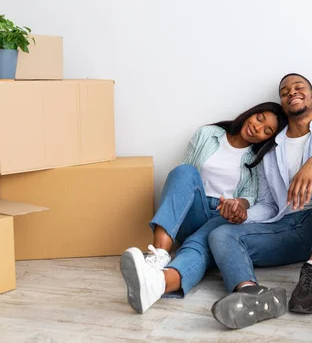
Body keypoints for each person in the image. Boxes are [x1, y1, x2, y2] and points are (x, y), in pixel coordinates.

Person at [208, 73, 312, 329]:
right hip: (290, 228)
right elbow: (270, 205)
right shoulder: (270, 150)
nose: (291, 92)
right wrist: (244, 214)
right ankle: (253, 297)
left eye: (298, 87)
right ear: (283, 104)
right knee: (222, 234)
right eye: (285, 91)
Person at [119, 102, 288, 314]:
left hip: (221, 214)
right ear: (251, 113)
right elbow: (182, 180)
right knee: (184, 171)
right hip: (192, 209)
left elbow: (249, 197)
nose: (257, 128)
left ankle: (158, 283)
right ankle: (160, 255)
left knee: (203, 240)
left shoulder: (257, 159)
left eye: (267, 131)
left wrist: (238, 206)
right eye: (260, 118)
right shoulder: (208, 134)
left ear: (267, 139)